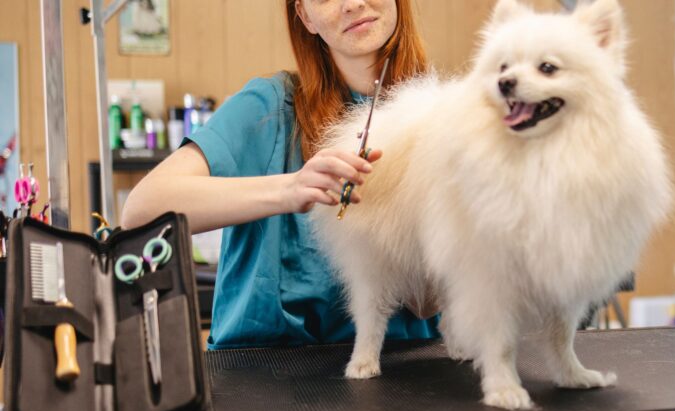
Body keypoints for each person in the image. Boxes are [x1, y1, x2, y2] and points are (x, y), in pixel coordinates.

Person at [121, 0, 440, 349]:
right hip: (265, 377)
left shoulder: (436, 115)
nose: (353, 3)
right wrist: (290, 188)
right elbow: (141, 211)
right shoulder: (268, 108)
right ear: (304, 15)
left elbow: (425, 305)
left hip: (401, 373)